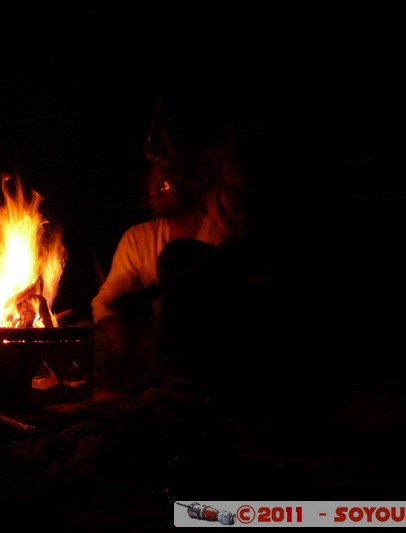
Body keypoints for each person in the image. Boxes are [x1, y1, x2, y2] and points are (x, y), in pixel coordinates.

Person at [91, 92, 287, 400]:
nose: (155, 191)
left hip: (224, 347)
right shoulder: (139, 237)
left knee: (177, 260)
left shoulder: (225, 224)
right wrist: (118, 337)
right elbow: (110, 298)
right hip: (162, 357)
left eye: (166, 184)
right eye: (151, 184)